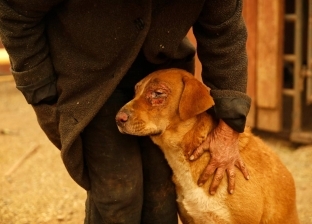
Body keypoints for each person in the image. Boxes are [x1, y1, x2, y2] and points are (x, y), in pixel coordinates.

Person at [0, 0, 251, 223]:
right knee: (118, 194)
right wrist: (40, 89)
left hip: (163, 74)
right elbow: (14, 13)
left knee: (161, 194)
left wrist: (230, 124)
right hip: (90, 80)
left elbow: (225, 34)